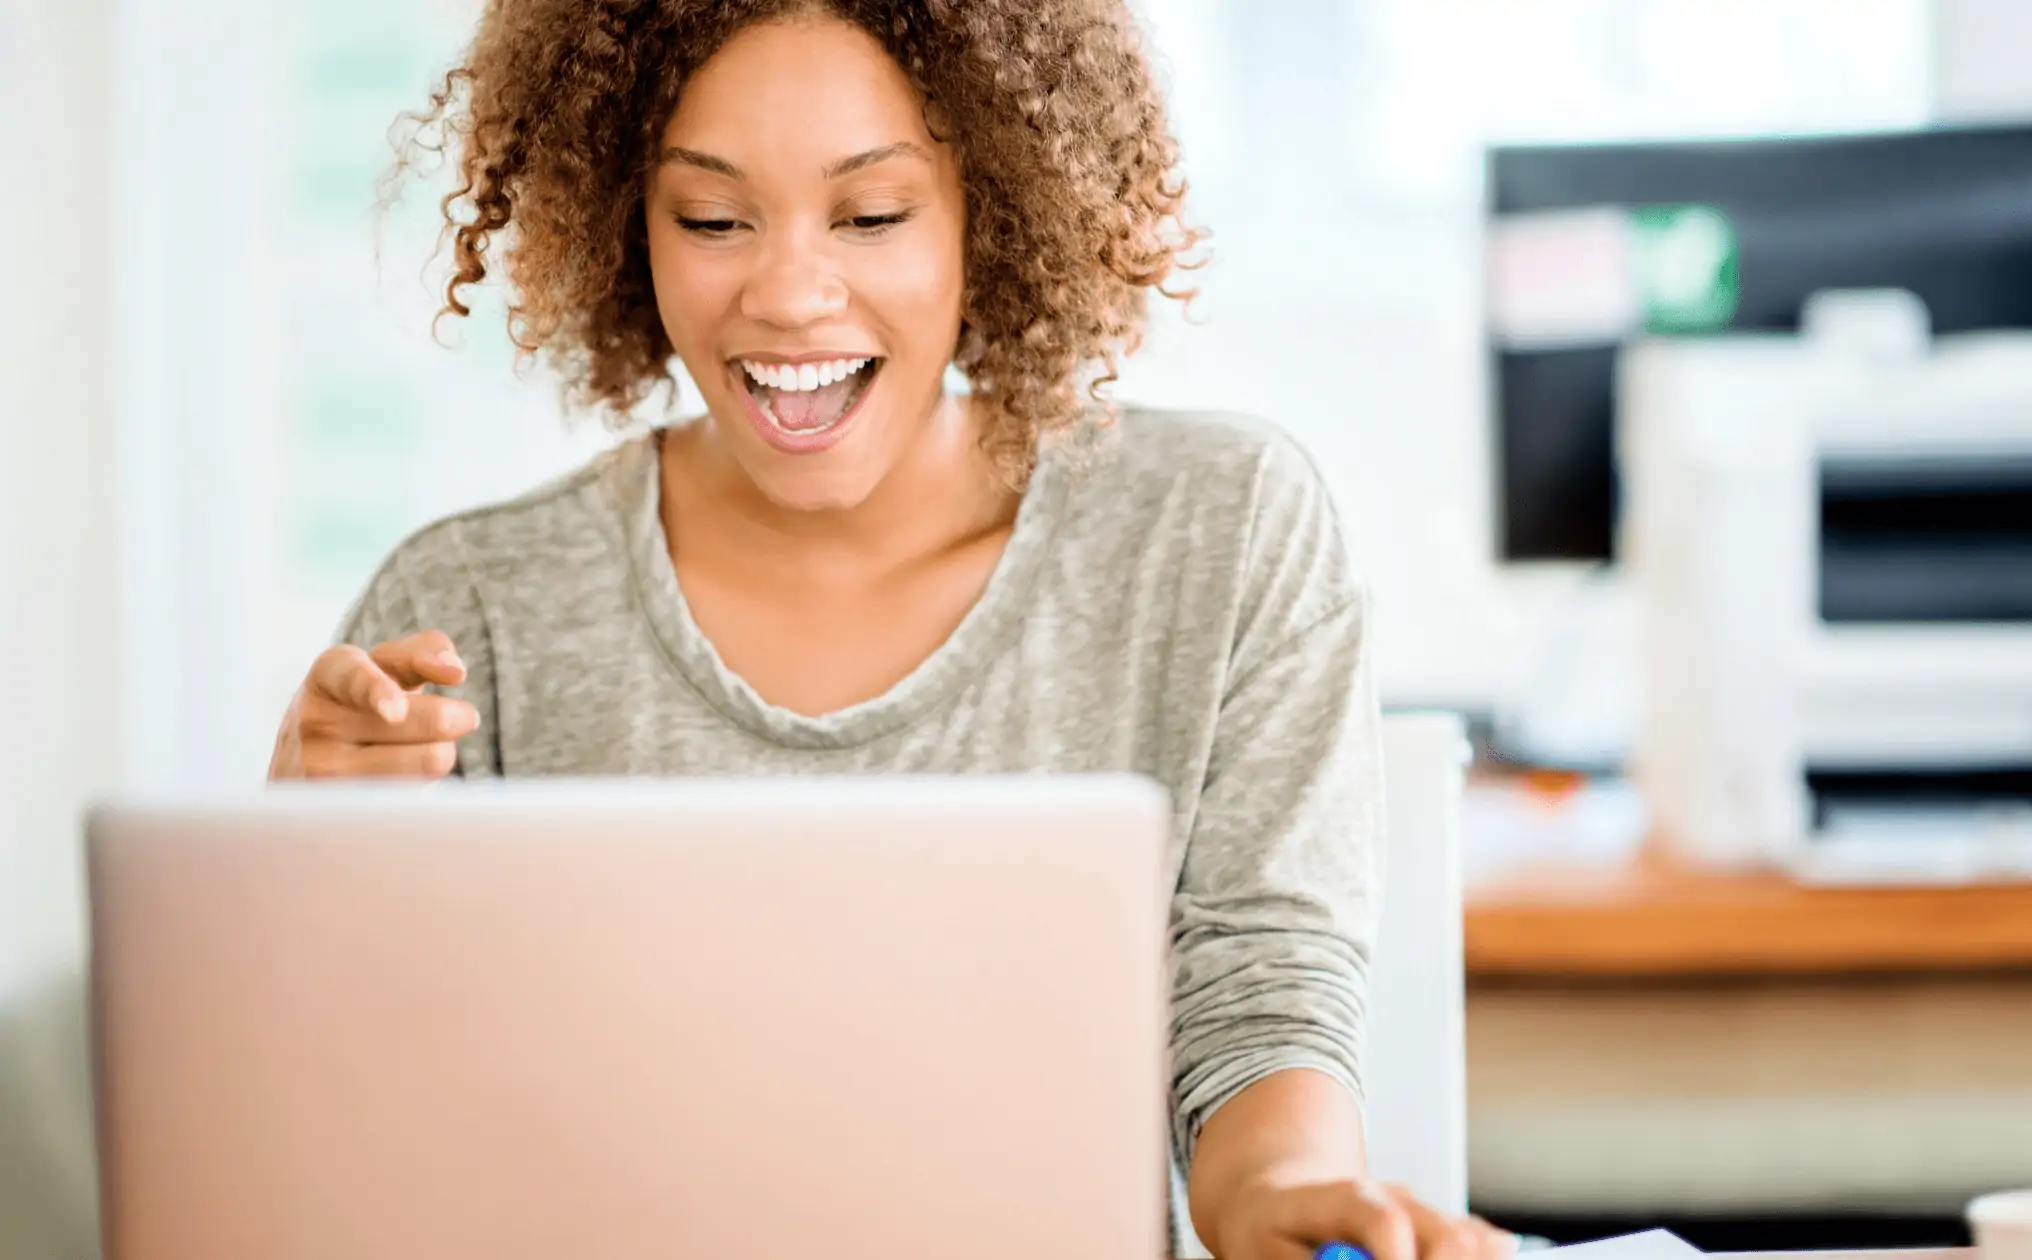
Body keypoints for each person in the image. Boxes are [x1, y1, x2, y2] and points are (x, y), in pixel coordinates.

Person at [267, 2, 1513, 1257]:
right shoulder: (474, 609)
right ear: (625, 224)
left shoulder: (1218, 532)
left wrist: (1273, 1201)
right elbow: (345, 1144)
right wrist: (304, 880)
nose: (791, 294)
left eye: (871, 216)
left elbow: (1258, 997)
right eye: (710, 219)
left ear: (993, 209)